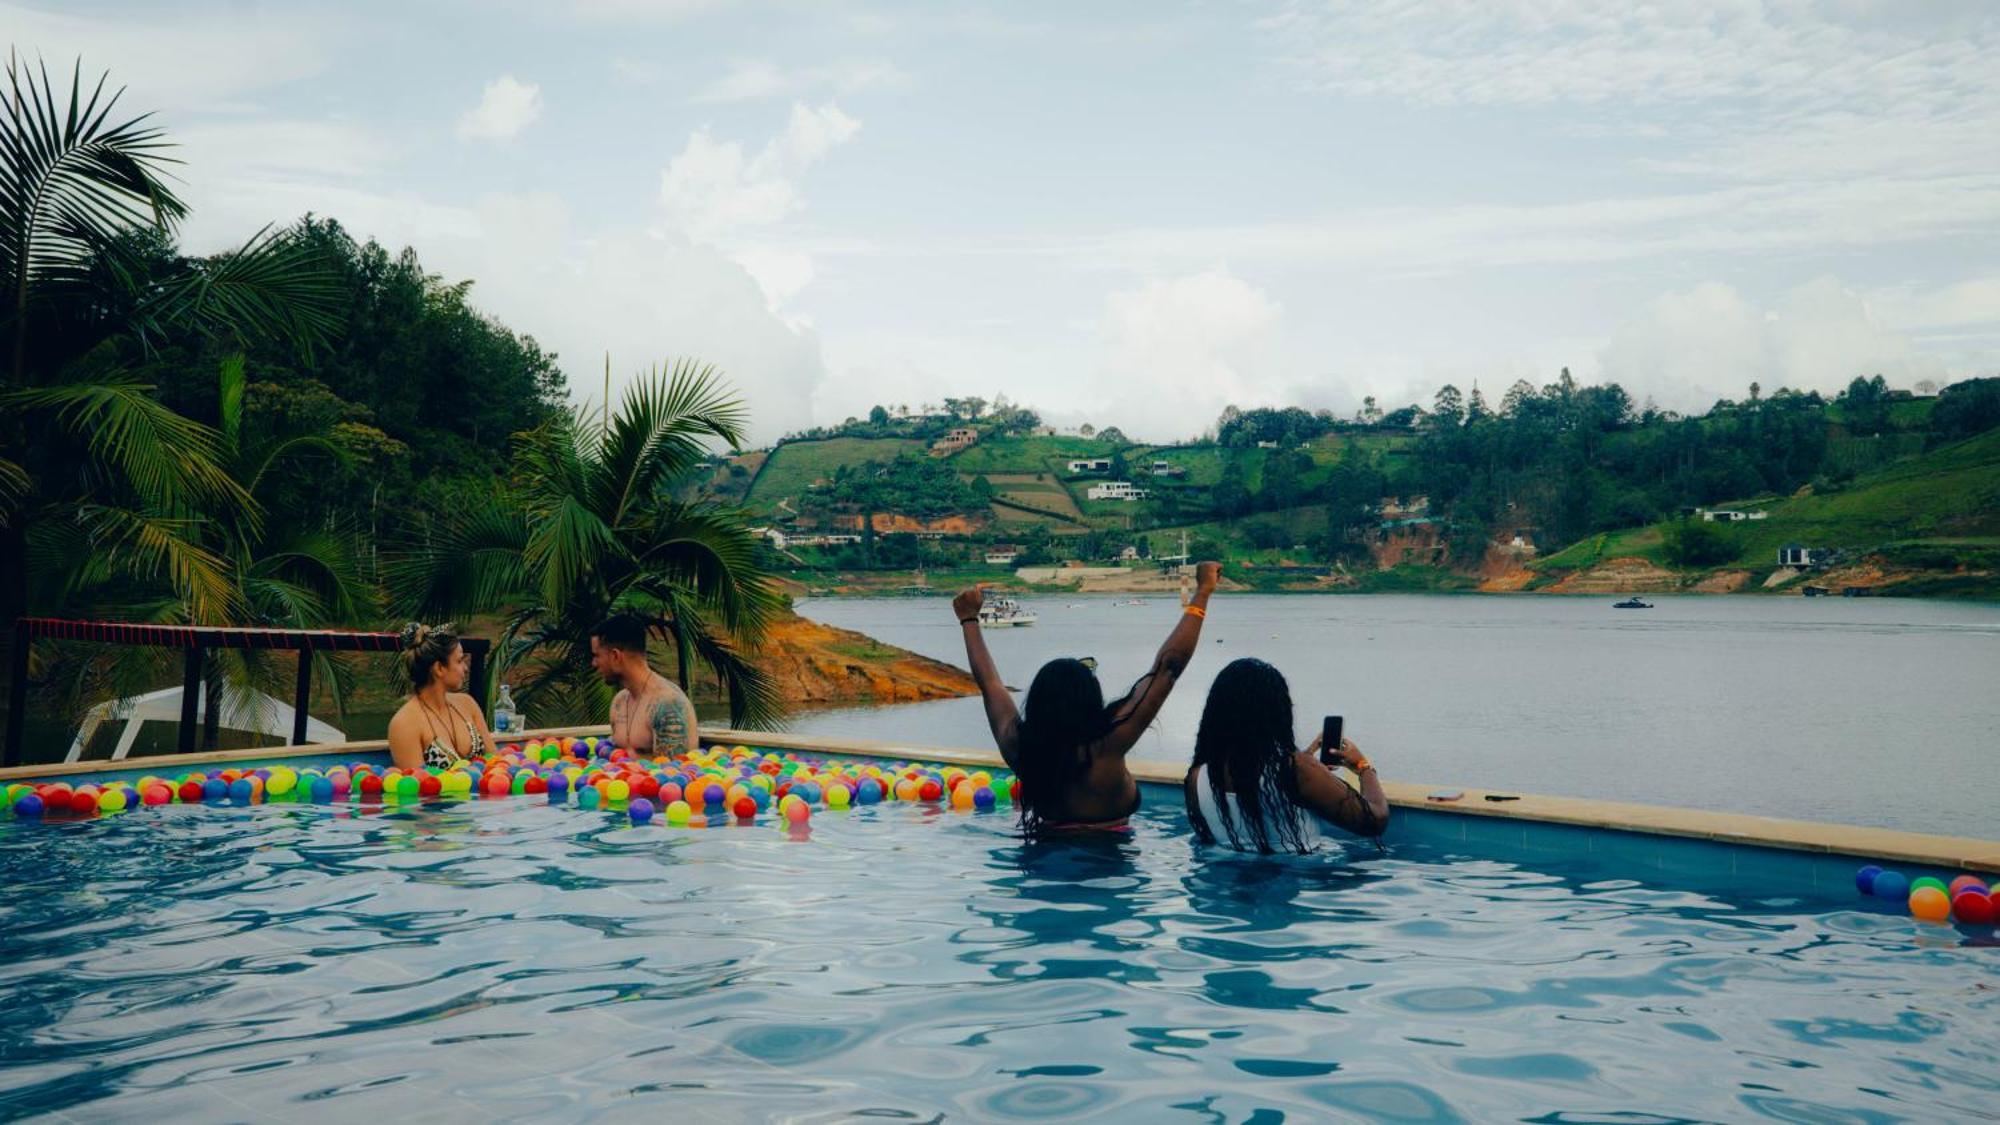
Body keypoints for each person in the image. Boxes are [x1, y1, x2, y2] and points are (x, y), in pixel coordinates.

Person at [954, 560, 1221, 834]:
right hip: (1109, 868)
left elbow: (990, 685)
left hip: (1041, 862)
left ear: (1036, 702)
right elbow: (1168, 667)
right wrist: (1203, 591)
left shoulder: (1019, 745)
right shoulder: (1110, 743)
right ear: (1091, 698)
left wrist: (968, 619)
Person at [1181, 657, 1389, 854]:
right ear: (1277, 712)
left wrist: (1307, 759)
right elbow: (1374, 821)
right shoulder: (1297, 770)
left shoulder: (1197, 778)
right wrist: (1363, 767)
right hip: (1293, 879)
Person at [386, 623, 495, 771]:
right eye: (459, 660)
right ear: (439, 668)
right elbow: (416, 785)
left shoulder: (467, 704)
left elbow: (496, 762)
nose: (466, 667)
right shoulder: (404, 724)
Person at [591, 612, 698, 755]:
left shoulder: (667, 704)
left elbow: (672, 773)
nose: (594, 664)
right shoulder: (619, 702)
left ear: (615, 656)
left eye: (597, 655)